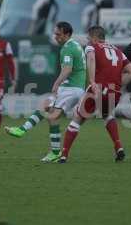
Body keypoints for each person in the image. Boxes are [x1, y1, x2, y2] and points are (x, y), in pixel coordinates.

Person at [5, 21, 86, 162]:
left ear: (67, 35)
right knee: (46, 107)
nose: (55, 37)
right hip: (74, 88)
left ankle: (51, 150)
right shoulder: (75, 45)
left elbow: (67, 69)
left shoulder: (68, 48)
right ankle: (24, 131)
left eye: (58, 34)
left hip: (70, 88)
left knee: (52, 116)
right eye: (55, 34)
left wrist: (56, 83)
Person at [57, 26, 131, 163]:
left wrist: (93, 81)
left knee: (77, 118)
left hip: (98, 89)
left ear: (94, 38)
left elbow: (92, 59)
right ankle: (119, 147)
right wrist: (117, 85)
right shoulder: (118, 51)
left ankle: (63, 155)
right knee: (107, 115)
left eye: (88, 38)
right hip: (114, 92)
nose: (87, 40)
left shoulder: (92, 46)